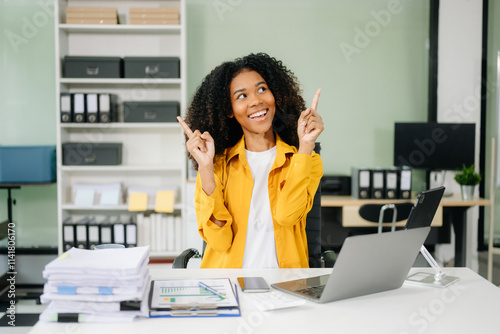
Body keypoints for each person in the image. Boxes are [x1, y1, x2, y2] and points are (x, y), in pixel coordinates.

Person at [177, 53, 324, 268]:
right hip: (227, 284)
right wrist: (206, 168)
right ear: (229, 110)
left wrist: (305, 146)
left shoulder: (306, 159)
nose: (256, 101)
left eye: (262, 89)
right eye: (241, 96)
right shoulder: (217, 164)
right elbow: (219, 240)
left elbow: (286, 216)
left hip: (285, 285)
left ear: (276, 96)